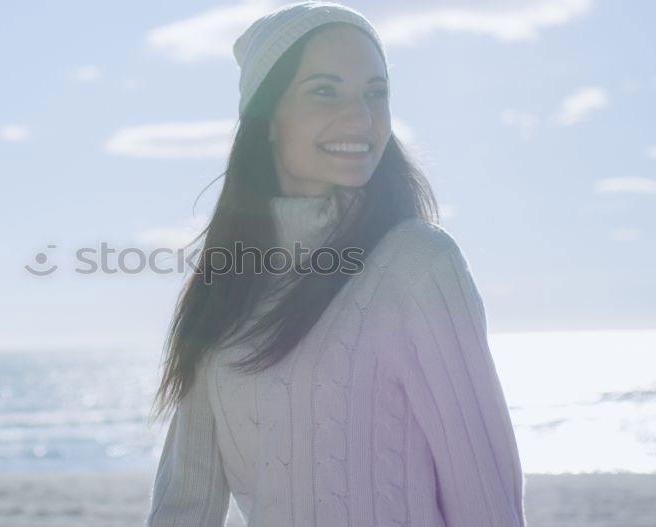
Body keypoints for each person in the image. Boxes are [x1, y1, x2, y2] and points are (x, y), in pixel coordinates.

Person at [144, 2, 527, 526]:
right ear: (267, 119)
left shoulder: (419, 265)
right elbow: (184, 506)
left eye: (376, 93)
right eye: (324, 91)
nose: (361, 118)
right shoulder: (225, 285)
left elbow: (486, 501)